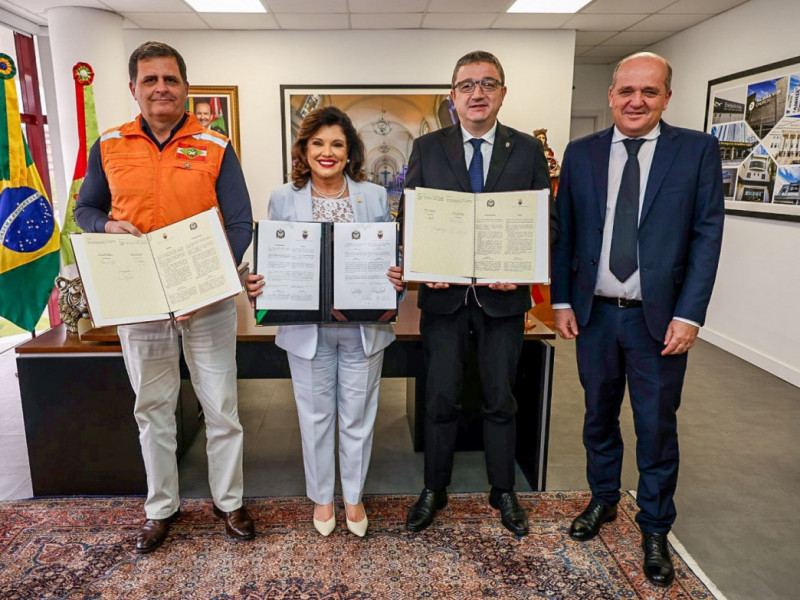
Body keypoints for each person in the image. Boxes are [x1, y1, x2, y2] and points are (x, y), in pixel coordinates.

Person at [551, 52, 724, 587]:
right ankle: (603, 499)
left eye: (649, 92)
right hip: (595, 316)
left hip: (659, 322)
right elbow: (565, 232)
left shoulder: (695, 151)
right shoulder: (581, 155)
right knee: (598, 418)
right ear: (610, 95)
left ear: (667, 97)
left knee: (655, 428)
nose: (636, 101)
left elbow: (706, 236)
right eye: (627, 90)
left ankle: (654, 527)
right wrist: (560, 301)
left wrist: (690, 314)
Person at [75, 41, 255, 553]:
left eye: (170, 80)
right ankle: (161, 509)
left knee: (221, 406)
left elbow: (239, 223)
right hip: (140, 298)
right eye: (149, 80)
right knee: (152, 406)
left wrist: (215, 276)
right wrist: (107, 225)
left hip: (207, 299)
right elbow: (85, 211)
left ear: (186, 88)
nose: (160, 88)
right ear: (132, 87)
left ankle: (230, 501)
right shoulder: (108, 145)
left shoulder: (216, 145)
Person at [403, 50, 555, 537]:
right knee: (441, 398)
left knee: (499, 398)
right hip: (444, 300)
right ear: (453, 95)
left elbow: (543, 221)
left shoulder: (528, 151)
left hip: (503, 299)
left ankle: (503, 489)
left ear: (503, 94)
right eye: (467, 84)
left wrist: (524, 268)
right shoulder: (427, 147)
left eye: (488, 84)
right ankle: (435, 488)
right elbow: (411, 214)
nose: (478, 93)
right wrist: (425, 264)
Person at [246, 106, 403, 537]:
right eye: (318, 143)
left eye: (336, 143)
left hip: (362, 330)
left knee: (358, 417)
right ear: (304, 149)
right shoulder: (282, 198)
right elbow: (268, 261)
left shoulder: (372, 196)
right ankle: (321, 499)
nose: (327, 152)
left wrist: (396, 275)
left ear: (349, 150)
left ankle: (352, 498)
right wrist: (257, 282)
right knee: (314, 418)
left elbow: (388, 254)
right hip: (306, 332)